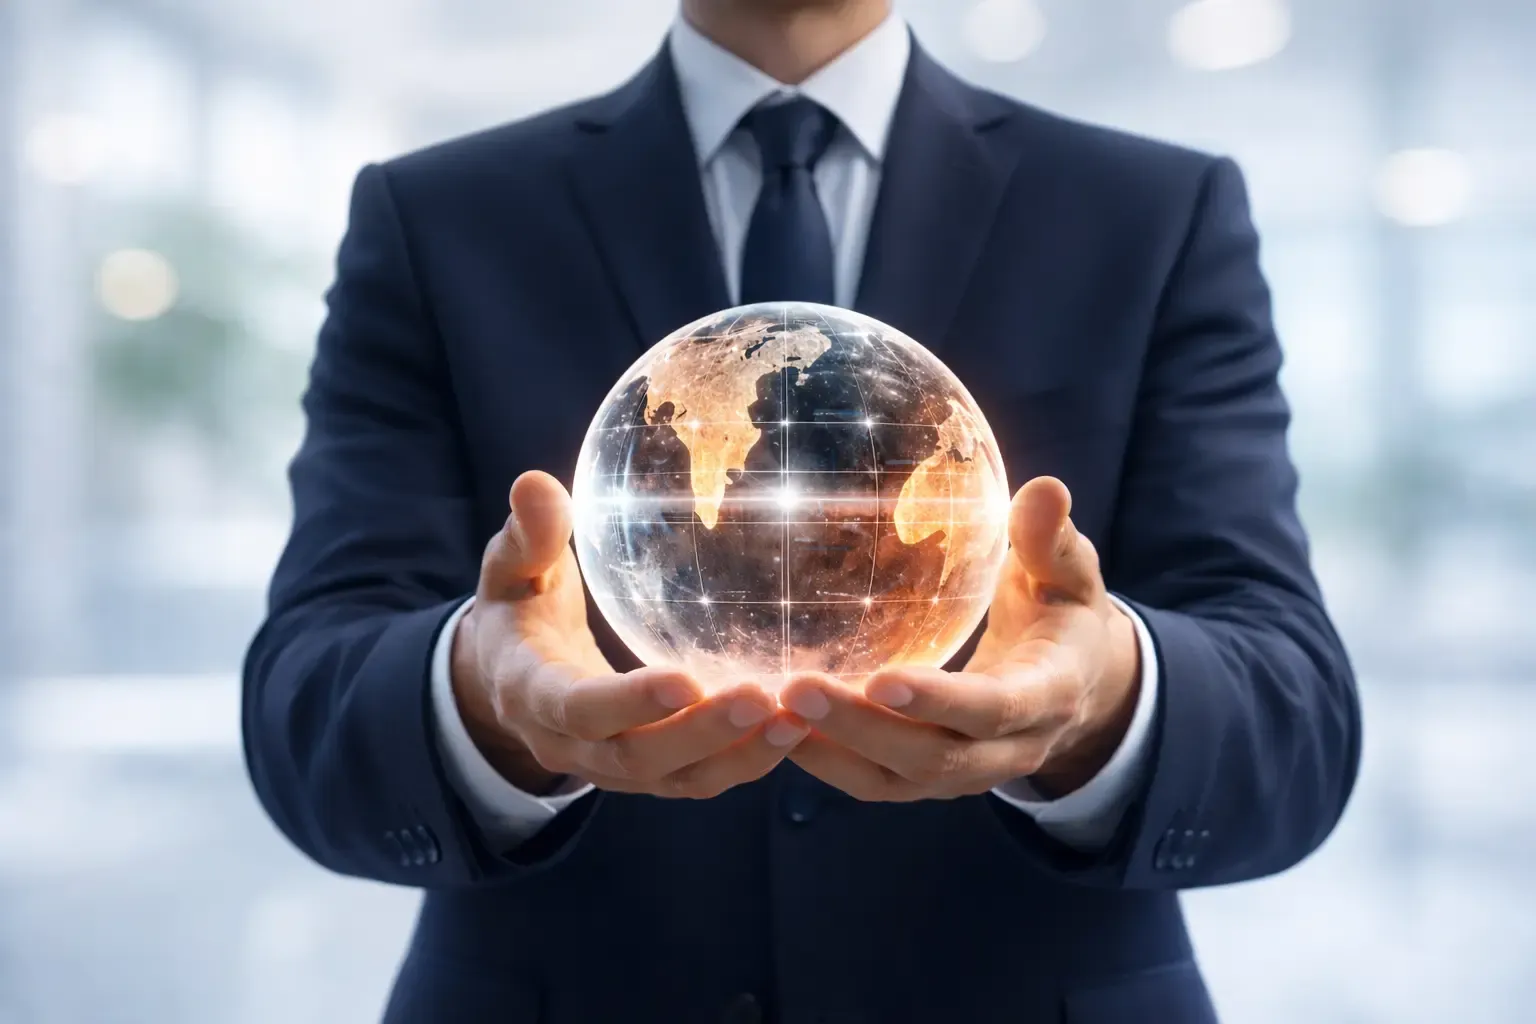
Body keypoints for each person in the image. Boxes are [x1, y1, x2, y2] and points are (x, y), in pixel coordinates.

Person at [242, 0, 1362, 1020]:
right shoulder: (438, 218)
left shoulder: (1151, 214)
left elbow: (1295, 717)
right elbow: (308, 702)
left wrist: (1102, 699)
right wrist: (484, 699)